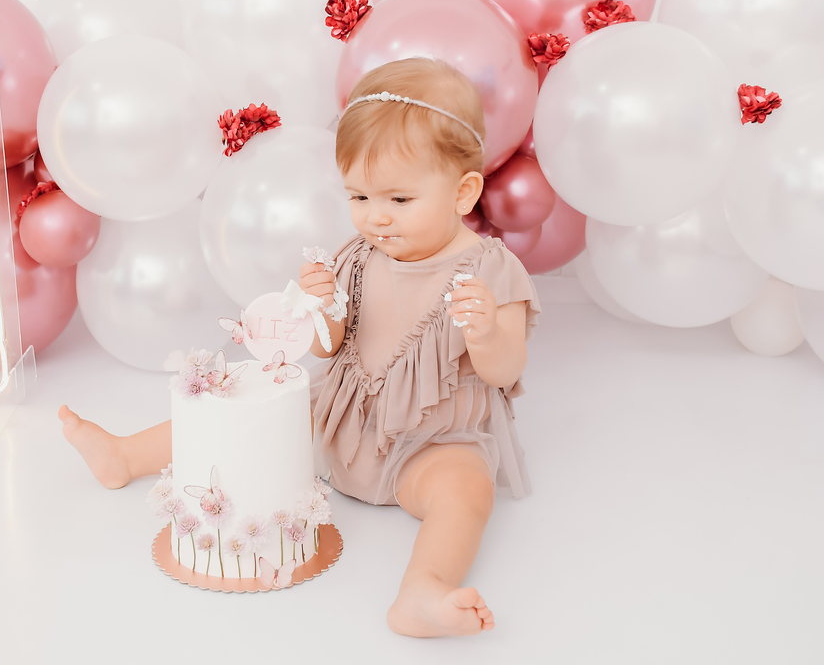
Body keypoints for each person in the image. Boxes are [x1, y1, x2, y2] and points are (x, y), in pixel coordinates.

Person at [59, 57, 539, 637]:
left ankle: (423, 589)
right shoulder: (357, 256)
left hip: (430, 442)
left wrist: (485, 334)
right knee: (258, 414)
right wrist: (323, 308)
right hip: (341, 422)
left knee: (466, 490)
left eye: (399, 200)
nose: (376, 218)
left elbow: (505, 369)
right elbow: (328, 348)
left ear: (463, 192)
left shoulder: (489, 271)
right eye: (358, 197)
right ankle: (125, 455)